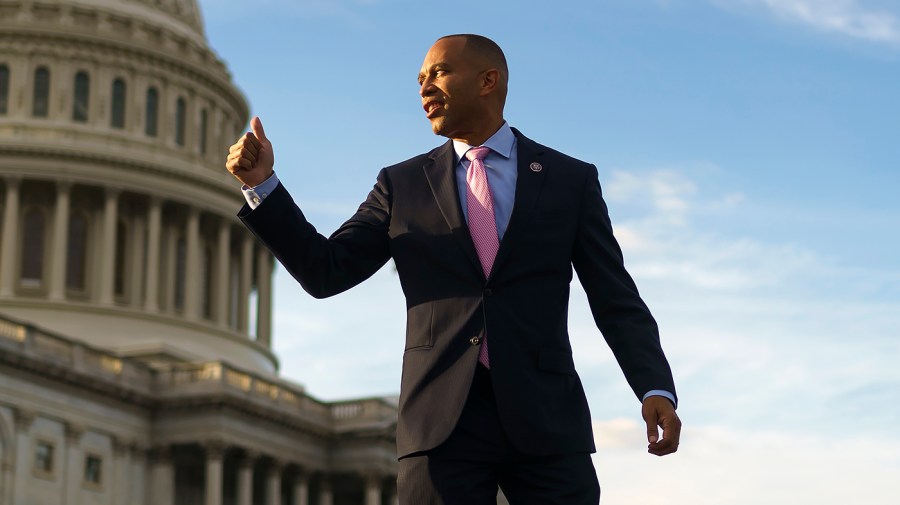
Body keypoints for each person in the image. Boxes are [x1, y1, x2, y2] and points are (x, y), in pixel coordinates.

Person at [226, 34, 681, 505]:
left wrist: (654, 386)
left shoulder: (571, 180)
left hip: (546, 421)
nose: (424, 88)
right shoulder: (401, 184)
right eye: (420, 79)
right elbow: (326, 271)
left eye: (438, 73)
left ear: (489, 80)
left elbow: (615, 299)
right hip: (440, 426)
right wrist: (263, 187)